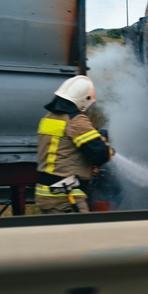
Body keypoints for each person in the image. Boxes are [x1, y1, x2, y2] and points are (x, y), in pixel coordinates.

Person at [35, 75, 115, 214]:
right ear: (84, 99)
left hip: (46, 193)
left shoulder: (48, 118)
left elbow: (65, 149)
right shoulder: (76, 121)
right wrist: (108, 149)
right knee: (80, 234)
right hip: (66, 196)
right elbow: (101, 154)